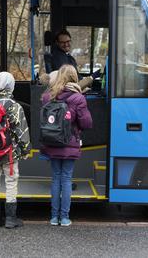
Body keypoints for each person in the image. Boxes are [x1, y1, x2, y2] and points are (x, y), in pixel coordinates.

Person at [41, 65, 92, 226]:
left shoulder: (48, 96)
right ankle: (64, 218)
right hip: (70, 143)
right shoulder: (78, 98)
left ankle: (53, 217)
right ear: (74, 77)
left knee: (56, 178)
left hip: (51, 142)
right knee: (66, 178)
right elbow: (87, 123)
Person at [0, 72, 31, 229]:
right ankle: (11, 219)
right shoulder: (13, 106)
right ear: (11, 86)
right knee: (11, 182)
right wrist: (26, 150)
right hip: (10, 153)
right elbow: (21, 131)